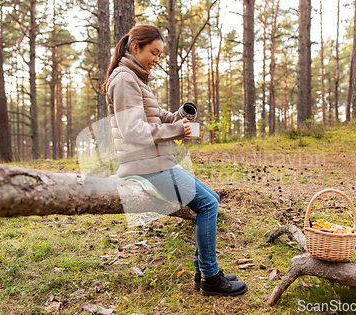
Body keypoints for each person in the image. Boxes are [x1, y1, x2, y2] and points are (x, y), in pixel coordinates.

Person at [101, 24, 248, 297]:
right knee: (206, 204)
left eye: (159, 54)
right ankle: (211, 278)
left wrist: (182, 116)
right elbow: (133, 131)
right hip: (145, 165)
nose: (156, 59)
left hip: (158, 162)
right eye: (153, 53)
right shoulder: (124, 80)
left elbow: (159, 119)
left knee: (211, 198)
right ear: (136, 48)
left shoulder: (136, 79)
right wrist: (178, 130)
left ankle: (202, 270)